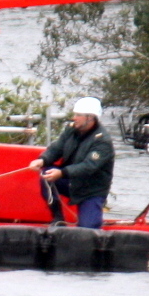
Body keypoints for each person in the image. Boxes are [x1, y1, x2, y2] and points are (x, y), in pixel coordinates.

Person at [29, 96, 114, 229]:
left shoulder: (102, 141)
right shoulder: (71, 130)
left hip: (91, 190)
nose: (74, 118)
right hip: (71, 182)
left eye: (78, 115)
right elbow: (57, 148)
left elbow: (88, 167)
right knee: (46, 175)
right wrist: (42, 160)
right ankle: (58, 218)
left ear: (90, 118)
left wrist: (62, 173)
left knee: (88, 229)